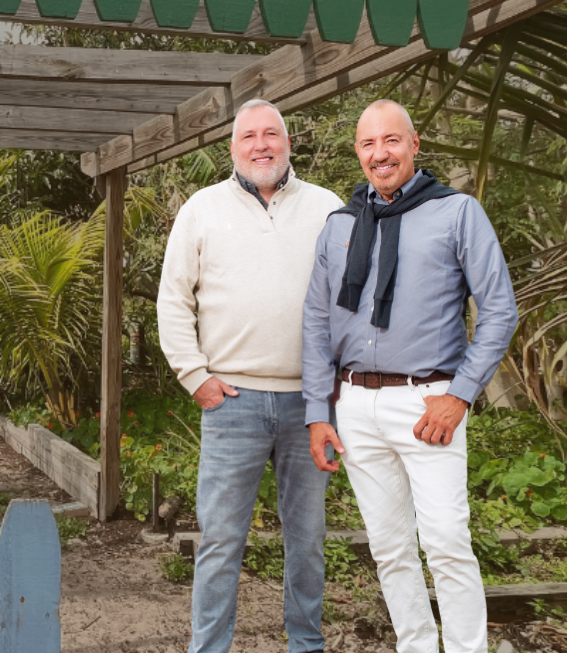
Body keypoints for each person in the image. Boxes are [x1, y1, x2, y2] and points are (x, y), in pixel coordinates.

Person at [303, 100, 518, 653]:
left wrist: (460, 396)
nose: (381, 154)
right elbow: (317, 323)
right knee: (390, 547)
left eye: (391, 141)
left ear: (414, 144)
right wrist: (317, 415)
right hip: (354, 406)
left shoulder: (457, 213)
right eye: (369, 144)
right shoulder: (340, 225)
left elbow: (499, 311)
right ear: (358, 152)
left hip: (429, 406)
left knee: (446, 541)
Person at [159, 99, 343, 653]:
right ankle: (208, 648)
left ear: (288, 143)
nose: (261, 145)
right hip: (231, 402)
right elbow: (173, 300)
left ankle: (305, 644)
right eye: (248, 137)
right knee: (219, 540)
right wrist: (195, 376)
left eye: (272, 135)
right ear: (232, 147)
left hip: (309, 408)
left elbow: (347, 302)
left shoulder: (328, 208)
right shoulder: (201, 208)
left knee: (307, 540)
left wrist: (334, 389)